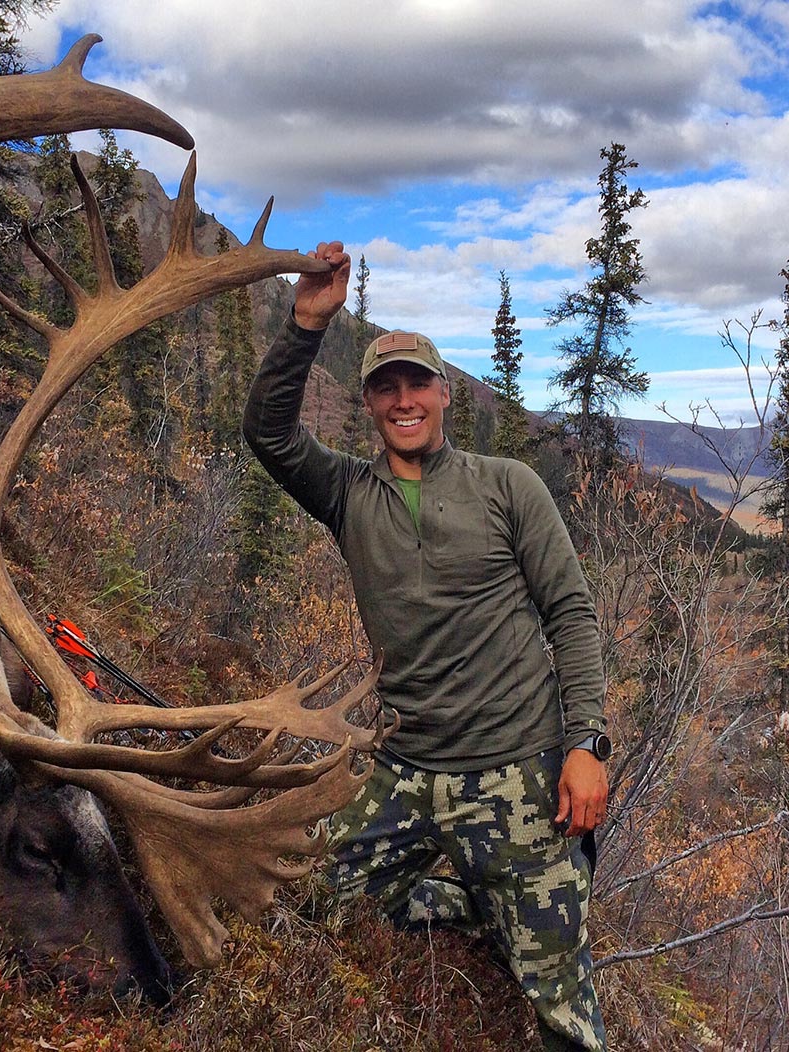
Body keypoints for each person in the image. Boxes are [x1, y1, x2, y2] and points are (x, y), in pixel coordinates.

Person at [242, 242, 610, 1051]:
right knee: (312, 903)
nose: (404, 400)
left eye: (417, 384)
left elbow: (572, 614)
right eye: (386, 388)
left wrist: (586, 744)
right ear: (370, 403)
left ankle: (512, 898)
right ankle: (481, 901)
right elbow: (266, 432)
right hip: (403, 773)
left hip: (517, 773)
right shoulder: (347, 492)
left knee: (559, 1003)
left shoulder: (508, 486)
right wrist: (306, 323)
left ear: (444, 392)